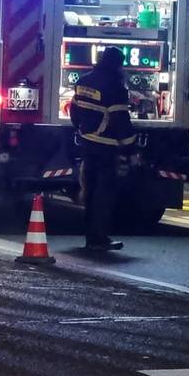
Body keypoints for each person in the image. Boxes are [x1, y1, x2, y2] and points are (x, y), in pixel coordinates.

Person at [69, 46, 137, 252]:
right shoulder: (115, 86)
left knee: (89, 190)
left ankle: (90, 237)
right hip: (106, 146)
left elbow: (74, 109)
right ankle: (99, 238)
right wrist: (131, 149)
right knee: (103, 193)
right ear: (117, 64)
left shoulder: (83, 81)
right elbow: (120, 120)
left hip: (86, 142)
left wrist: (80, 128)